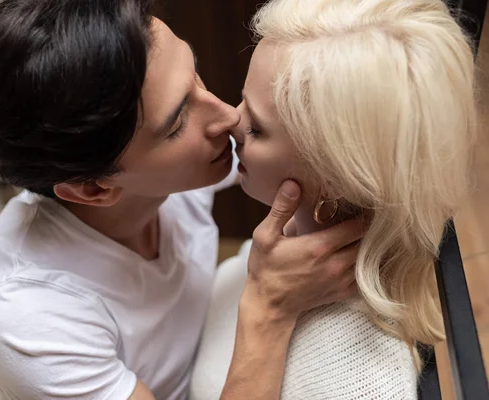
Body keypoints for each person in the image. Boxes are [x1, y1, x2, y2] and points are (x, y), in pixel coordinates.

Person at [0, 0, 365, 399]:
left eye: (195, 75)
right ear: (95, 189)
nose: (227, 116)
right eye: (176, 123)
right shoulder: (28, 316)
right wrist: (270, 308)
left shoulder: (170, 165)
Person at [190, 0, 478, 399]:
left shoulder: (362, 383)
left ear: (336, 178)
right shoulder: (287, 241)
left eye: (256, 127)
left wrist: (265, 309)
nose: (231, 120)